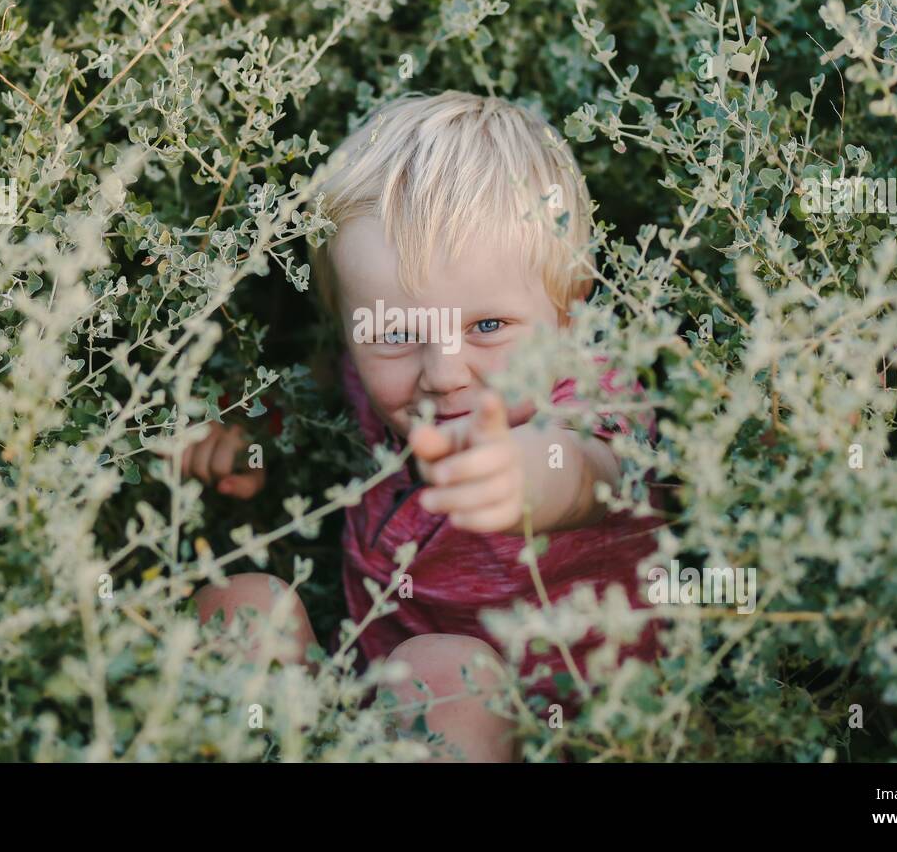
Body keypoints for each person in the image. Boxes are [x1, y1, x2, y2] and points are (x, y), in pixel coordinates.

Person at [183, 91, 661, 762]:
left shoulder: (591, 391)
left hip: (562, 723)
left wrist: (536, 475)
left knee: (441, 671)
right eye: (397, 333)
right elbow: (318, 384)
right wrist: (252, 433)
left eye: (488, 326)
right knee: (237, 604)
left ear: (570, 304)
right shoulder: (371, 372)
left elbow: (598, 470)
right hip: (379, 701)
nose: (443, 371)